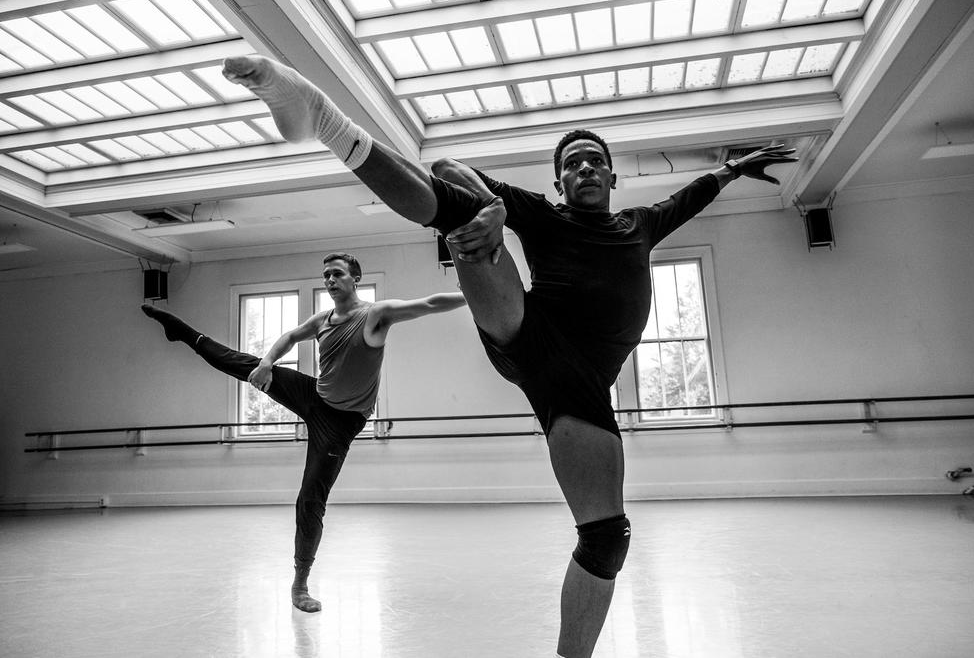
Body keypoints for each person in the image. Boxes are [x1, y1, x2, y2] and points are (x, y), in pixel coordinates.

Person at [220, 55, 797, 657]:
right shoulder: (545, 215)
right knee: (466, 210)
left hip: (584, 387)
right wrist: (493, 207)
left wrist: (732, 169)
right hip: (528, 334)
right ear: (560, 183)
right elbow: (447, 166)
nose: (585, 168)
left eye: (595, 160)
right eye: (572, 164)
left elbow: (692, 195)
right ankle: (322, 118)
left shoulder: (640, 223)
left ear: (612, 176)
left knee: (607, 540)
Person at [142, 252, 466, 613]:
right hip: (313, 396)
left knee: (310, 498)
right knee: (246, 365)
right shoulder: (322, 319)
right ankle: (182, 332)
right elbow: (291, 336)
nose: (329, 280)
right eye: (326, 274)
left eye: (337, 274)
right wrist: (267, 363)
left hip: (340, 422)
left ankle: (300, 584)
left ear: (354, 277)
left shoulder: (374, 315)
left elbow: (428, 304)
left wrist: (470, 294)